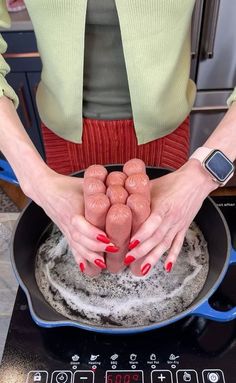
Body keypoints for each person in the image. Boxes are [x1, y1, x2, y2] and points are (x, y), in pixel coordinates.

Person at [0, 0, 236, 276]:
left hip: (165, 137)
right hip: (65, 139)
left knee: (156, 257)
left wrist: (202, 174)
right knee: (81, 256)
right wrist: (35, 179)